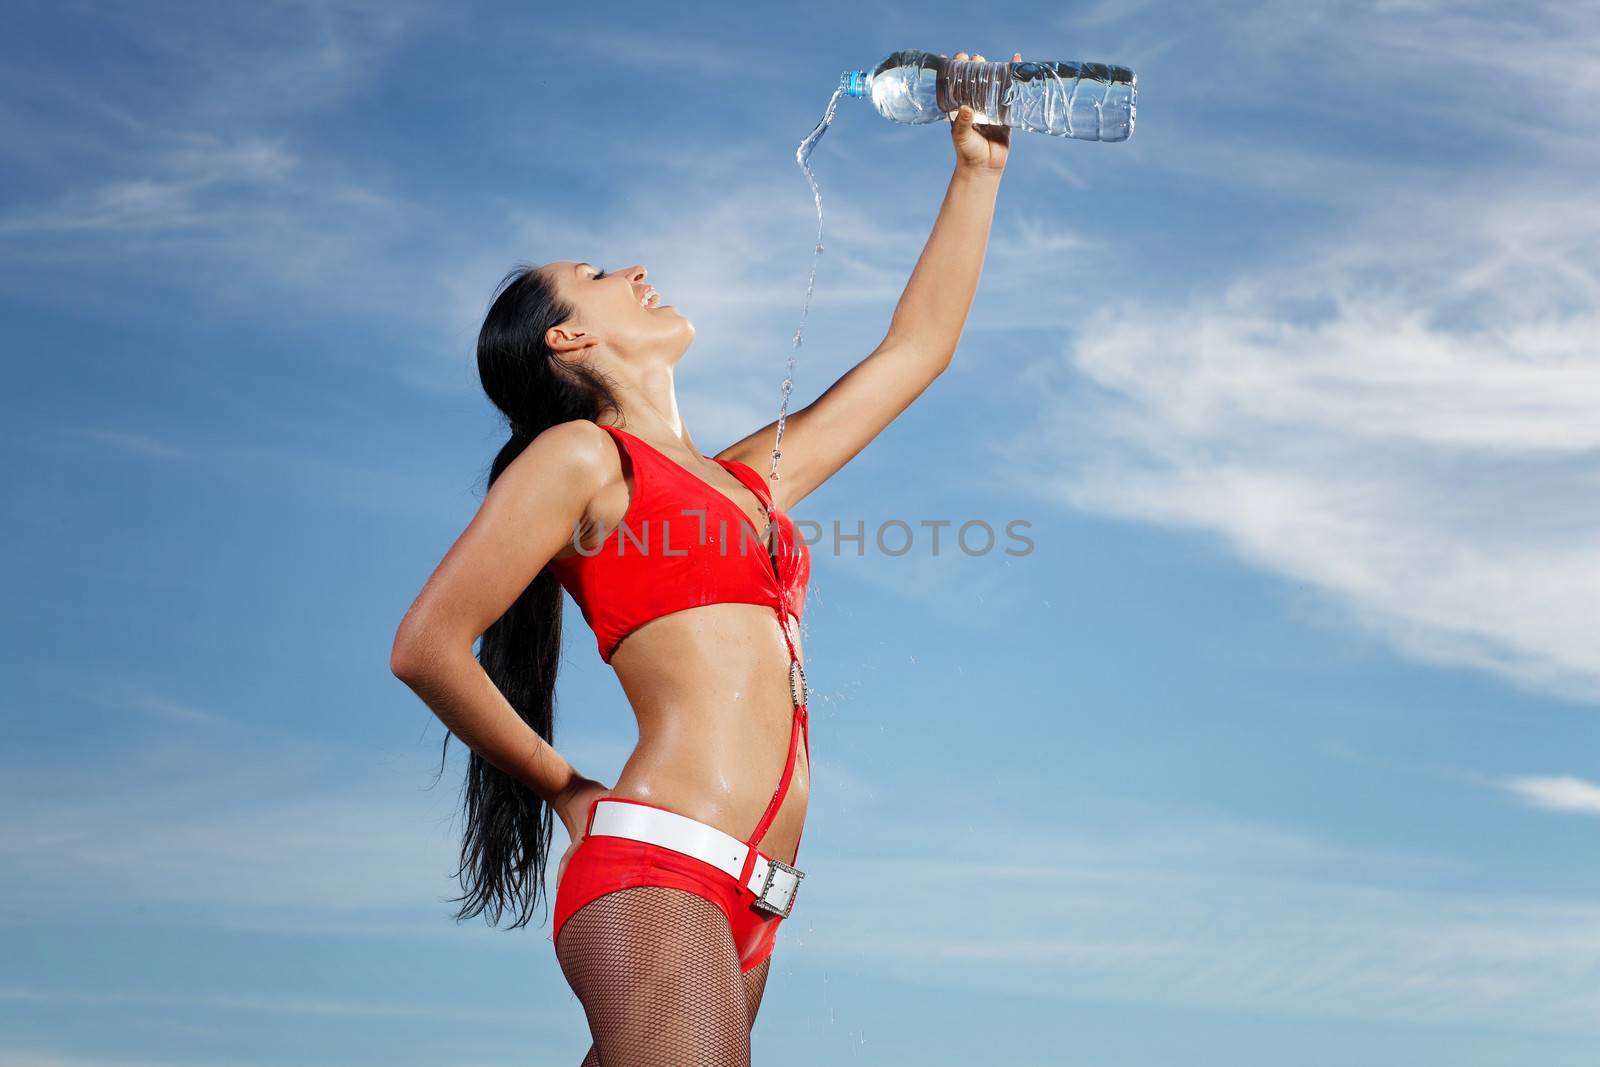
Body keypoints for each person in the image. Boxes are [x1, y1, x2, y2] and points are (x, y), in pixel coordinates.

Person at [389, 49, 1016, 1066]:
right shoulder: (583, 457)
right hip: (658, 870)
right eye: (595, 279)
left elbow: (916, 352)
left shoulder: (745, 481)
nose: (633, 271)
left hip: (753, 900)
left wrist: (976, 169)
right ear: (566, 342)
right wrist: (565, 786)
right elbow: (426, 645)